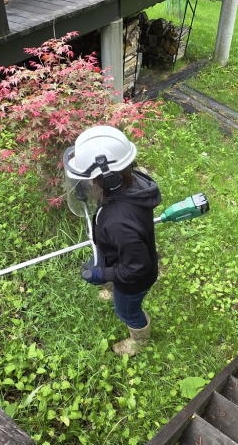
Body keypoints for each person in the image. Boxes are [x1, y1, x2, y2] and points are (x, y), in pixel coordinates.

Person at [63, 126, 161, 356]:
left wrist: (103, 274)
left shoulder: (119, 223)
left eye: (91, 179)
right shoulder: (128, 185)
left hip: (133, 281)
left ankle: (139, 341)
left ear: (109, 178)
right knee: (115, 282)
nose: (89, 183)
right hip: (118, 254)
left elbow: (137, 268)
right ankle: (112, 288)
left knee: (126, 311)